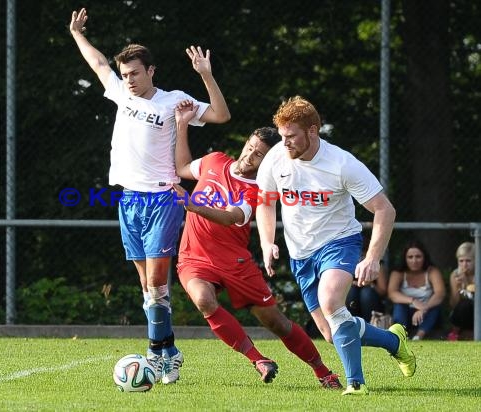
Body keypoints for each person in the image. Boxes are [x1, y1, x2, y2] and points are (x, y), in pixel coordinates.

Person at [69, 8, 231, 384]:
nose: (129, 81)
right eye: (124, 75)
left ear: (151, 71)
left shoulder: (173, 101)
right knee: (149, 292)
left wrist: (206, 76)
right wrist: (76, 33)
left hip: (163, 200)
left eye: (135, 74)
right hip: (129, 201)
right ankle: (169, 350)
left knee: (158, 284)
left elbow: (221, 115)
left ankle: (156, 355)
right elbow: (95, 62)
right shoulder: (120, 93)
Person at [171, 100, 342, 389]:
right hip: (194, 257)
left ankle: (323, 371)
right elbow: (183, 167)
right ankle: (258, 359)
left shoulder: (258, 191)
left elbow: (230, 217)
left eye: (259, 154)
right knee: (203, 300)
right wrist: (181, 124)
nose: (250, 155)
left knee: (276, 323)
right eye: (250, 146)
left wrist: (194, 207)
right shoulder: (214, 161)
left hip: (234, 262)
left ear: (269, 162)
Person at [255, 95, 416, 396]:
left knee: (331, 303)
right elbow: (265, 203)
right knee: (331, 332)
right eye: (282, 136)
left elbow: (385, 209)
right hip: (301, 254)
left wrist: (372, 258)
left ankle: (356, 384)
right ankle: (394, 342)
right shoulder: (276, 158)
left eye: (292, 136)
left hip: (339, 242)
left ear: (313, 131)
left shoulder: (342, 164)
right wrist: (266, 242)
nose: (285, 143)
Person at [387, 240, 446, 340]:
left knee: (435, 308)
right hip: (406, 312)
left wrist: (423, 308)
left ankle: (419, 336)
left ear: (424, 258)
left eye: (418, 257)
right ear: (405, 259)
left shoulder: (432, 271)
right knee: (399, 305)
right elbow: (392, 293)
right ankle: (401, 336)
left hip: (426, 312)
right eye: (410, 257)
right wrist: (413, 301)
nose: (414, 261)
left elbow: (440, 294)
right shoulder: (398, 272)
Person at [447, 242, 475, 340]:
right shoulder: (455, 274)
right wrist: (457, 287)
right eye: (461, 261)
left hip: (476, 310)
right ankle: (455, 333)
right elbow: (454, 304)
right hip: (461, 315)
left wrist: (467, 284)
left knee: (468, 303)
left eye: (468, 261)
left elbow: (476, 300)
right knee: (463, 304)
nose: (464, 264)